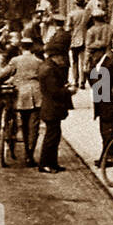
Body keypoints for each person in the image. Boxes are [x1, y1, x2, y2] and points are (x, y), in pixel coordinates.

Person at [0, 33, 43, 167]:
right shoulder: (38, 62)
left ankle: (22, 146)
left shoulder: (15, 60)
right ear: (32, 48)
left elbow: (2, 75)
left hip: (21, 94)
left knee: (22, 123)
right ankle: (29, 155)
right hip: (36, 95)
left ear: (21, 48)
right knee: (33, 126)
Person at [89, 44, 113, 167]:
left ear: (102, 51)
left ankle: (108, 157)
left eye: (94, 52)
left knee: (107, 132)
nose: (92, 55)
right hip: (103, 103)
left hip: (110, 104)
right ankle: (108, 155)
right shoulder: (98, 64)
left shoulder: (110, 63)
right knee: (105, 132)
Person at [38, 41, 71, 173]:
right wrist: (69, 91)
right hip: (52, 108)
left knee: (55, 135)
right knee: (51, 138)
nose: (62, 59)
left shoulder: (47, 66)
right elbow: (54, 91)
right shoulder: (50, 69)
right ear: (55, 56)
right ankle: (45, 164)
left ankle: (53, 163)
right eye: (61, 57)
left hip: (51, 108)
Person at [66, 0, 89, 88]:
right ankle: (83, 82)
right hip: (85, 39)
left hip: (74, 39)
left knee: (74, 61)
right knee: (83, 61)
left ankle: (75, 80)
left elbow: (68, 28)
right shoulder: (88, 13)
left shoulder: (71, 14)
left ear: (76, 4)